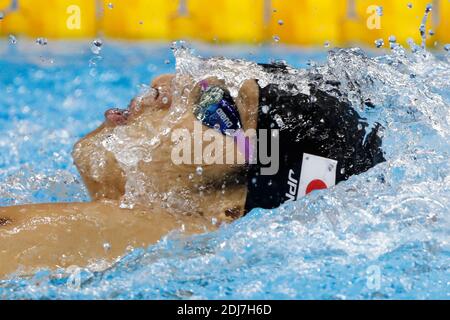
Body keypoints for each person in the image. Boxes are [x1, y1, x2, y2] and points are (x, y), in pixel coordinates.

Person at [0, 61, 385, 277]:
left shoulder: (166, 232)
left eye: (215, 104)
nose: (163, 83)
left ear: (231, 207)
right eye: (198, 78)